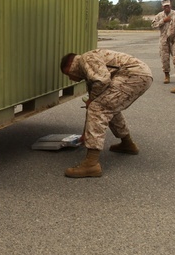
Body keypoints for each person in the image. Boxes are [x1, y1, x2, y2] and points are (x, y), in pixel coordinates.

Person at [59, 49, 153, 178]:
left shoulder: (85, 59)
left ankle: (91, 164)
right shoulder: (89, 72)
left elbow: (102, 82)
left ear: (71, 65)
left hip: (133, 75)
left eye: (68, 74)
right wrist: (84, 133)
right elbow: (91, 106)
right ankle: (127, 144)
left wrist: (92, 100)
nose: (71, 78)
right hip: (139, 74)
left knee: (99, 108)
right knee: (108, 106)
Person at [150, 0, 175, 83]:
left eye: (168, 6)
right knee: (165, 59)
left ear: (170, 6)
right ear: (162, 7)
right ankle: (166, 75)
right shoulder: (159, 15)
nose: (167, 8)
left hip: (174, 40)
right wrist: (163, 21)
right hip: (163, 40)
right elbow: (153, 25)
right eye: (165, 6)